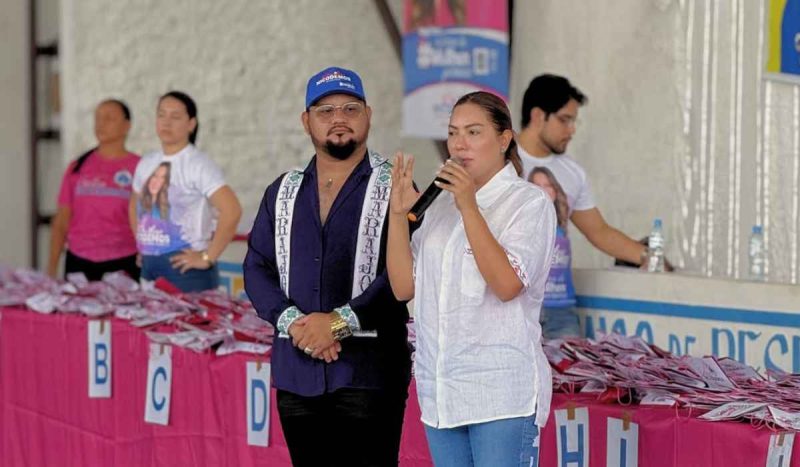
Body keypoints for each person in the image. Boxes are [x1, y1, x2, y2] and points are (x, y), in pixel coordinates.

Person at [243, 66, 413, 467]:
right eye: (325, 110)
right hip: (296, 371)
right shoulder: (282, 190)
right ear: (307, 122)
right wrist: (296, 326)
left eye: (350, 108)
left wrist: (338, 323)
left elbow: (404, 274)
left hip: (368, 373)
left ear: (368, 115)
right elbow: (256, 266)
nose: (339, 118)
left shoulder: (396, 185)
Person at [387, 91, 556, 467]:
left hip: (500, 394)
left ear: (504, 138)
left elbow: (508, 285)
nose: (460, 143)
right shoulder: (439, 206)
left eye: (474, 132)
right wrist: (398, 217)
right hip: (442, 391)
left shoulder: (528, 204)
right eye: (453, 132)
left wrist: (468, 205)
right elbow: (403, 287)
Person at [516, 73, 659, 338]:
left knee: (573, 379)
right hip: (511, 306)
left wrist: (649, 257)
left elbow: (599, 231)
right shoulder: (498, 162)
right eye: (564, 119)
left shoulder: (572, 173)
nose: (571, 130)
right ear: (538, 116)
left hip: (560, 308)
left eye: (573, 121)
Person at [130, 91, 241, 292]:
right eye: (161, 115)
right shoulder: (146, 162)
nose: (166, 122)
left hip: (186, 269)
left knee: (189, 324)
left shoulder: (198, 164)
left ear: (191, 124)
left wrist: (208, 257)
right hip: (149, 266)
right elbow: (134, 203)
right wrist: (141, 243)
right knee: (150, 322)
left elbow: (232, 210)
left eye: (175, 116)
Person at [48, 99, 140, 281]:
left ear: (127, 126)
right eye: (97, 118)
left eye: (109, 118)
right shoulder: (78, 166)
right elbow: (61, 221)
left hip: (124, 262)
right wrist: (51, 269)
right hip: (79, 261)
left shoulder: (141, 167)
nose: (101, 124)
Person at [529, 166, 579, 337]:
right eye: (537, 185)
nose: (542, 190)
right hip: (533, 309)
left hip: (562, 308)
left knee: (570, 361)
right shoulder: (523, 224)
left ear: (555, 191)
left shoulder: (562, 223)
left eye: (547, 185)